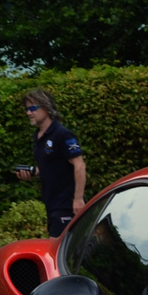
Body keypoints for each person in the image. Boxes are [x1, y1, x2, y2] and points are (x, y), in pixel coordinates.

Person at [14, 89, 87, 236]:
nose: (28, 113)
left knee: (59, 249)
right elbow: (50, 166)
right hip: (51, 203)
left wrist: (78, 199)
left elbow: (80, 165)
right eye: (27, 109)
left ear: (46, 108)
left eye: (33, 108)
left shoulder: (62, 134)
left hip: (66, 204)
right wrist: (33, 173)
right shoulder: (38, 137)